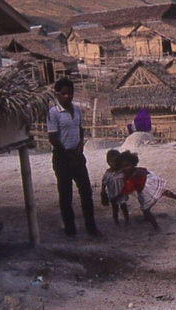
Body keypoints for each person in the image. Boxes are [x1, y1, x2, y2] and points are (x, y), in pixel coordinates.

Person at [46, 77, 99, 237]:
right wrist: (66, 153)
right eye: (64, 94)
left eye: (70, 93)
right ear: (57, 95)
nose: (67, 96)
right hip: (62, 158)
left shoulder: (76, 110)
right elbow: (53, 138)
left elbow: (80, 129)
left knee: (86, 193)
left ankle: (91, 228)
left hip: (77, 156)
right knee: (66, 195)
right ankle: (70, 230)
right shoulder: (53, 113)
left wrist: (80, 145)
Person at [120, 151, 162, 230]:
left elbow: (144, 173)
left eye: (127, 165)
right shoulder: (128, 172)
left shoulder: (136, 172)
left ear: (133, 164)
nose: (125, 168)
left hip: (146, 191)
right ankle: (146, 218)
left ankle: (156, 226)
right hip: (140, 191)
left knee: (146, 209)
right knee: (143, 205)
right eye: (123, 166)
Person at [100, 149, 130, 225]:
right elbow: (104, 182)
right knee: (115, 208)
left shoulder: (123, 171)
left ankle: (127, 220)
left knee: (124, 207)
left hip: (122, 193)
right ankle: (116, 221)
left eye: (117, 161)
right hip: (113, 194)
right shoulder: (108, 173)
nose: (115, 164)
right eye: (112, 162)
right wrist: (103, 192)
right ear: (108, 162)